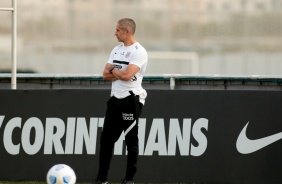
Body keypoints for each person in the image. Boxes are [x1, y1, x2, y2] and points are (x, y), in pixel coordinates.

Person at [92, 18, 148, 184]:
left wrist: (114, 70)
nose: (115, 33)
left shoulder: (139, 51)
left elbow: (127, 76)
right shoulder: (116, 49)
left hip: (131, 100)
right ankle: (101, 179)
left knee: (131, 141)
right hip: (115, 100)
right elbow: (104, 75)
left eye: (117, 30)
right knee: (106, 140)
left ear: (127, 32)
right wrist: (118, 72)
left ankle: (129, 180)